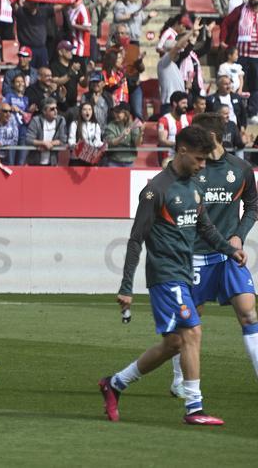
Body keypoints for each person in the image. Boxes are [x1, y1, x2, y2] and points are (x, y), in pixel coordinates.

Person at [99, 125, 244, 426]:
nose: (204, 165)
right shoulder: (156, 190)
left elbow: (205, 228)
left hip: (184, 273)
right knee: (193, 331)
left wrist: (230, 250)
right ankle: (194, 408)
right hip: (165, 275)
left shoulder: (194, 186)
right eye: (200, 159)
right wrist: (126, 287)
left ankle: (115, 384)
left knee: (174, 344)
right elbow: (136, 239)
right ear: (182, 151)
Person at [168, 114, 258, 395]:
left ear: (214, 137)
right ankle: (180, 381)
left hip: (228, 256)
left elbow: (253, 205)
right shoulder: (191, 168)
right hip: (193, 256)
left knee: (249, 315)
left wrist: (238, 236)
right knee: (189, 322)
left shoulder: (241, 169)